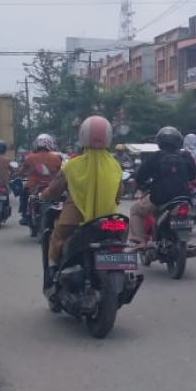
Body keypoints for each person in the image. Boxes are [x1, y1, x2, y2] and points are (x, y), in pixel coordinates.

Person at [40, 115, 124, 290]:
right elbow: (118, 194)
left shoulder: (72, 165)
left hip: (75, 220)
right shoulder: (115, 165)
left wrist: (43, 195)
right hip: (109, 222)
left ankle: (53, 270)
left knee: (57, 235)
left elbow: (54, 190)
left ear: (83, 136)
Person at [130, 126, 196, 247]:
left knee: (135, 210)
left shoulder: (156, 157)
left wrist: (141, 184)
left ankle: (138, 240)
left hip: (159, 199)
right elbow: (193, 175)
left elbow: (140, 176)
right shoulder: (186, 156)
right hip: (183, 198)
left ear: (159, 142)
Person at [17, 133, 63, 224]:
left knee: (23, 194)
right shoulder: (56, 158)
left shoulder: (30, 157)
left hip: (34, 187)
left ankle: (24, 215)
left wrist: (20, 174)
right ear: (50, 144)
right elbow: (61, 172)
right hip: (52, 187)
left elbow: (21, 172)